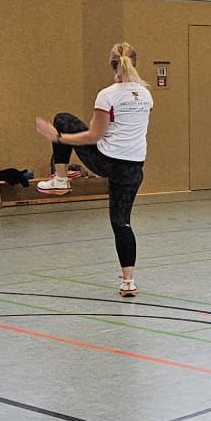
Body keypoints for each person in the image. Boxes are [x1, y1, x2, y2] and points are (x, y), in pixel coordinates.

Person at [35, 41, 153, 297]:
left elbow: (93, 136)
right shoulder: (146, 94)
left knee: (63, 119)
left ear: (111, 64)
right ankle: (128, 282)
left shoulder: (107, 95)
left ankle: (61, 178)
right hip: (134, 166)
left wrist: (59, 138)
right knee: (122, 222)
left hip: (106, 160)